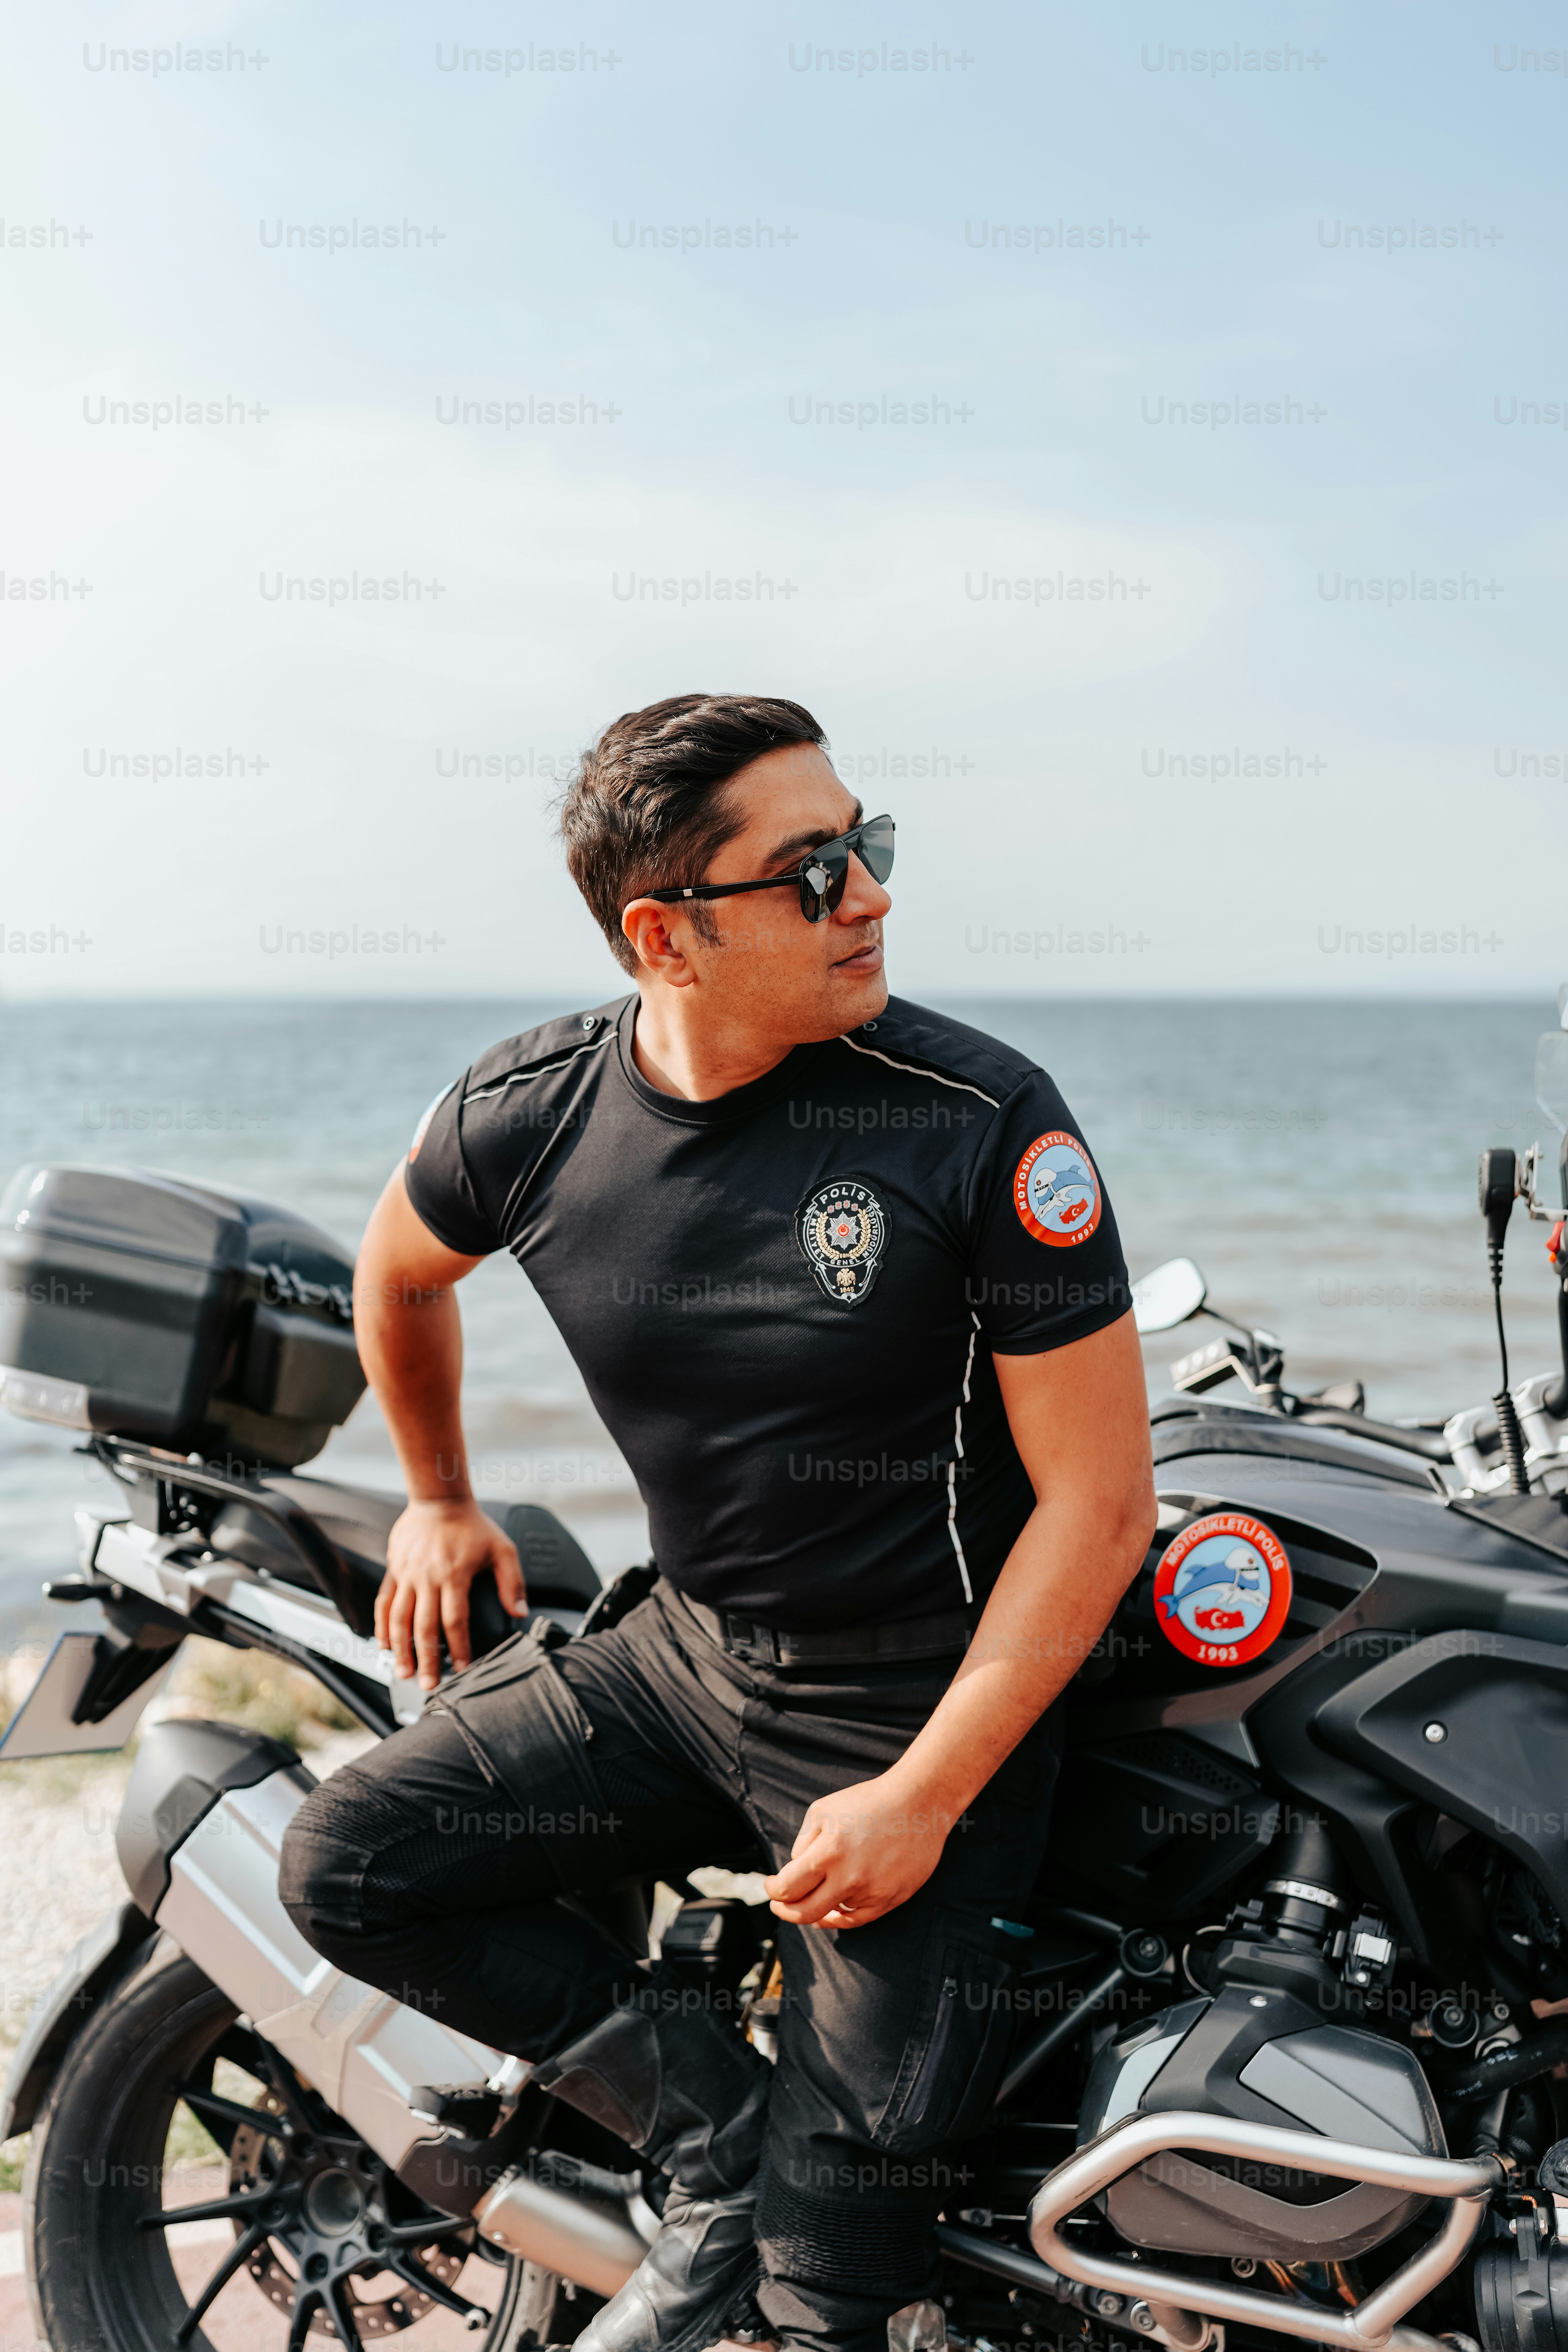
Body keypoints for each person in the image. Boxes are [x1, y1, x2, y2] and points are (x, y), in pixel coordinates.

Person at [280, 693, 1157, 2352]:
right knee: (349, 1864)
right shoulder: (528, 1110)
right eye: (814, 872)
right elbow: (396, 1273)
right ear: (662, 938)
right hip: (682, 1658)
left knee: (826, 2301)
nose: (874, 896)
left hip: (922, 1700)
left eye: (869, 847)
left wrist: (916, 1797)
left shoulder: (973, 1118)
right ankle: (709, 2135)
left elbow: (1103, 1513)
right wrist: (440, 1499)